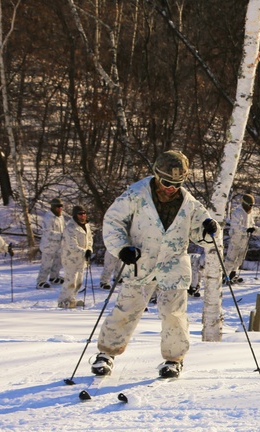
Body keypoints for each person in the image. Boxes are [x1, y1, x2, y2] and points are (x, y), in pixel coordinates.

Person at [90, 150, 218, 379]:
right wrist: (121, 248)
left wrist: (210, 230)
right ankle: (106, 354)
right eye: (167, 182)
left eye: (178, 183)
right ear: (156, 175)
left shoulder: (190, 204)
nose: (171, 188)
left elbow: (203, 237)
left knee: (174, 314)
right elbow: (113, 221)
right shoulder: (135, 195)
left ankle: (173, 359)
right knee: (126, 309)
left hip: (174, 265)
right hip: (140, 261)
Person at [57, 206, 94, 309]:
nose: (83, 215)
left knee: (78, 282)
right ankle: (63, 301)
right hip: (70, 259)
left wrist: (89, 250)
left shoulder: (87, 226)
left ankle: (71, 299)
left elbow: (90, 240)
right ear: (75, 215)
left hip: (81, 259)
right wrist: (84, 252)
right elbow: (72, 246)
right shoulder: (70, 228)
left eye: (84, 213)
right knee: (70, 281)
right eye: (80, 214)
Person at [222, 194, 256, 283]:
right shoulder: (237, 212)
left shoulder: (250, 213)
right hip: (236, 240)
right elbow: (236, 226)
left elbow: (252, 226)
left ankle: (232, 275)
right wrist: (247, 230)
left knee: (240, 259)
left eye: (252, 205)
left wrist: (259, 230)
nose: (251, 207)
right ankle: (224, 276)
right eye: (250, 205)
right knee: (231, 259)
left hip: (245, 241)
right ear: (245, 203)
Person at [36, 197, 66, 288]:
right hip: (48, 246)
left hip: (58, 245)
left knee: (57, 262)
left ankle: (54, 277)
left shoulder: (61, 217)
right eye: (58, 207)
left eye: (61, 206)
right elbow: (48, 232)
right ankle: (41, 281)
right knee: (46, 264)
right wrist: (62, 235)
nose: (60, 208)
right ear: (53, 207)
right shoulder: (48, 218)